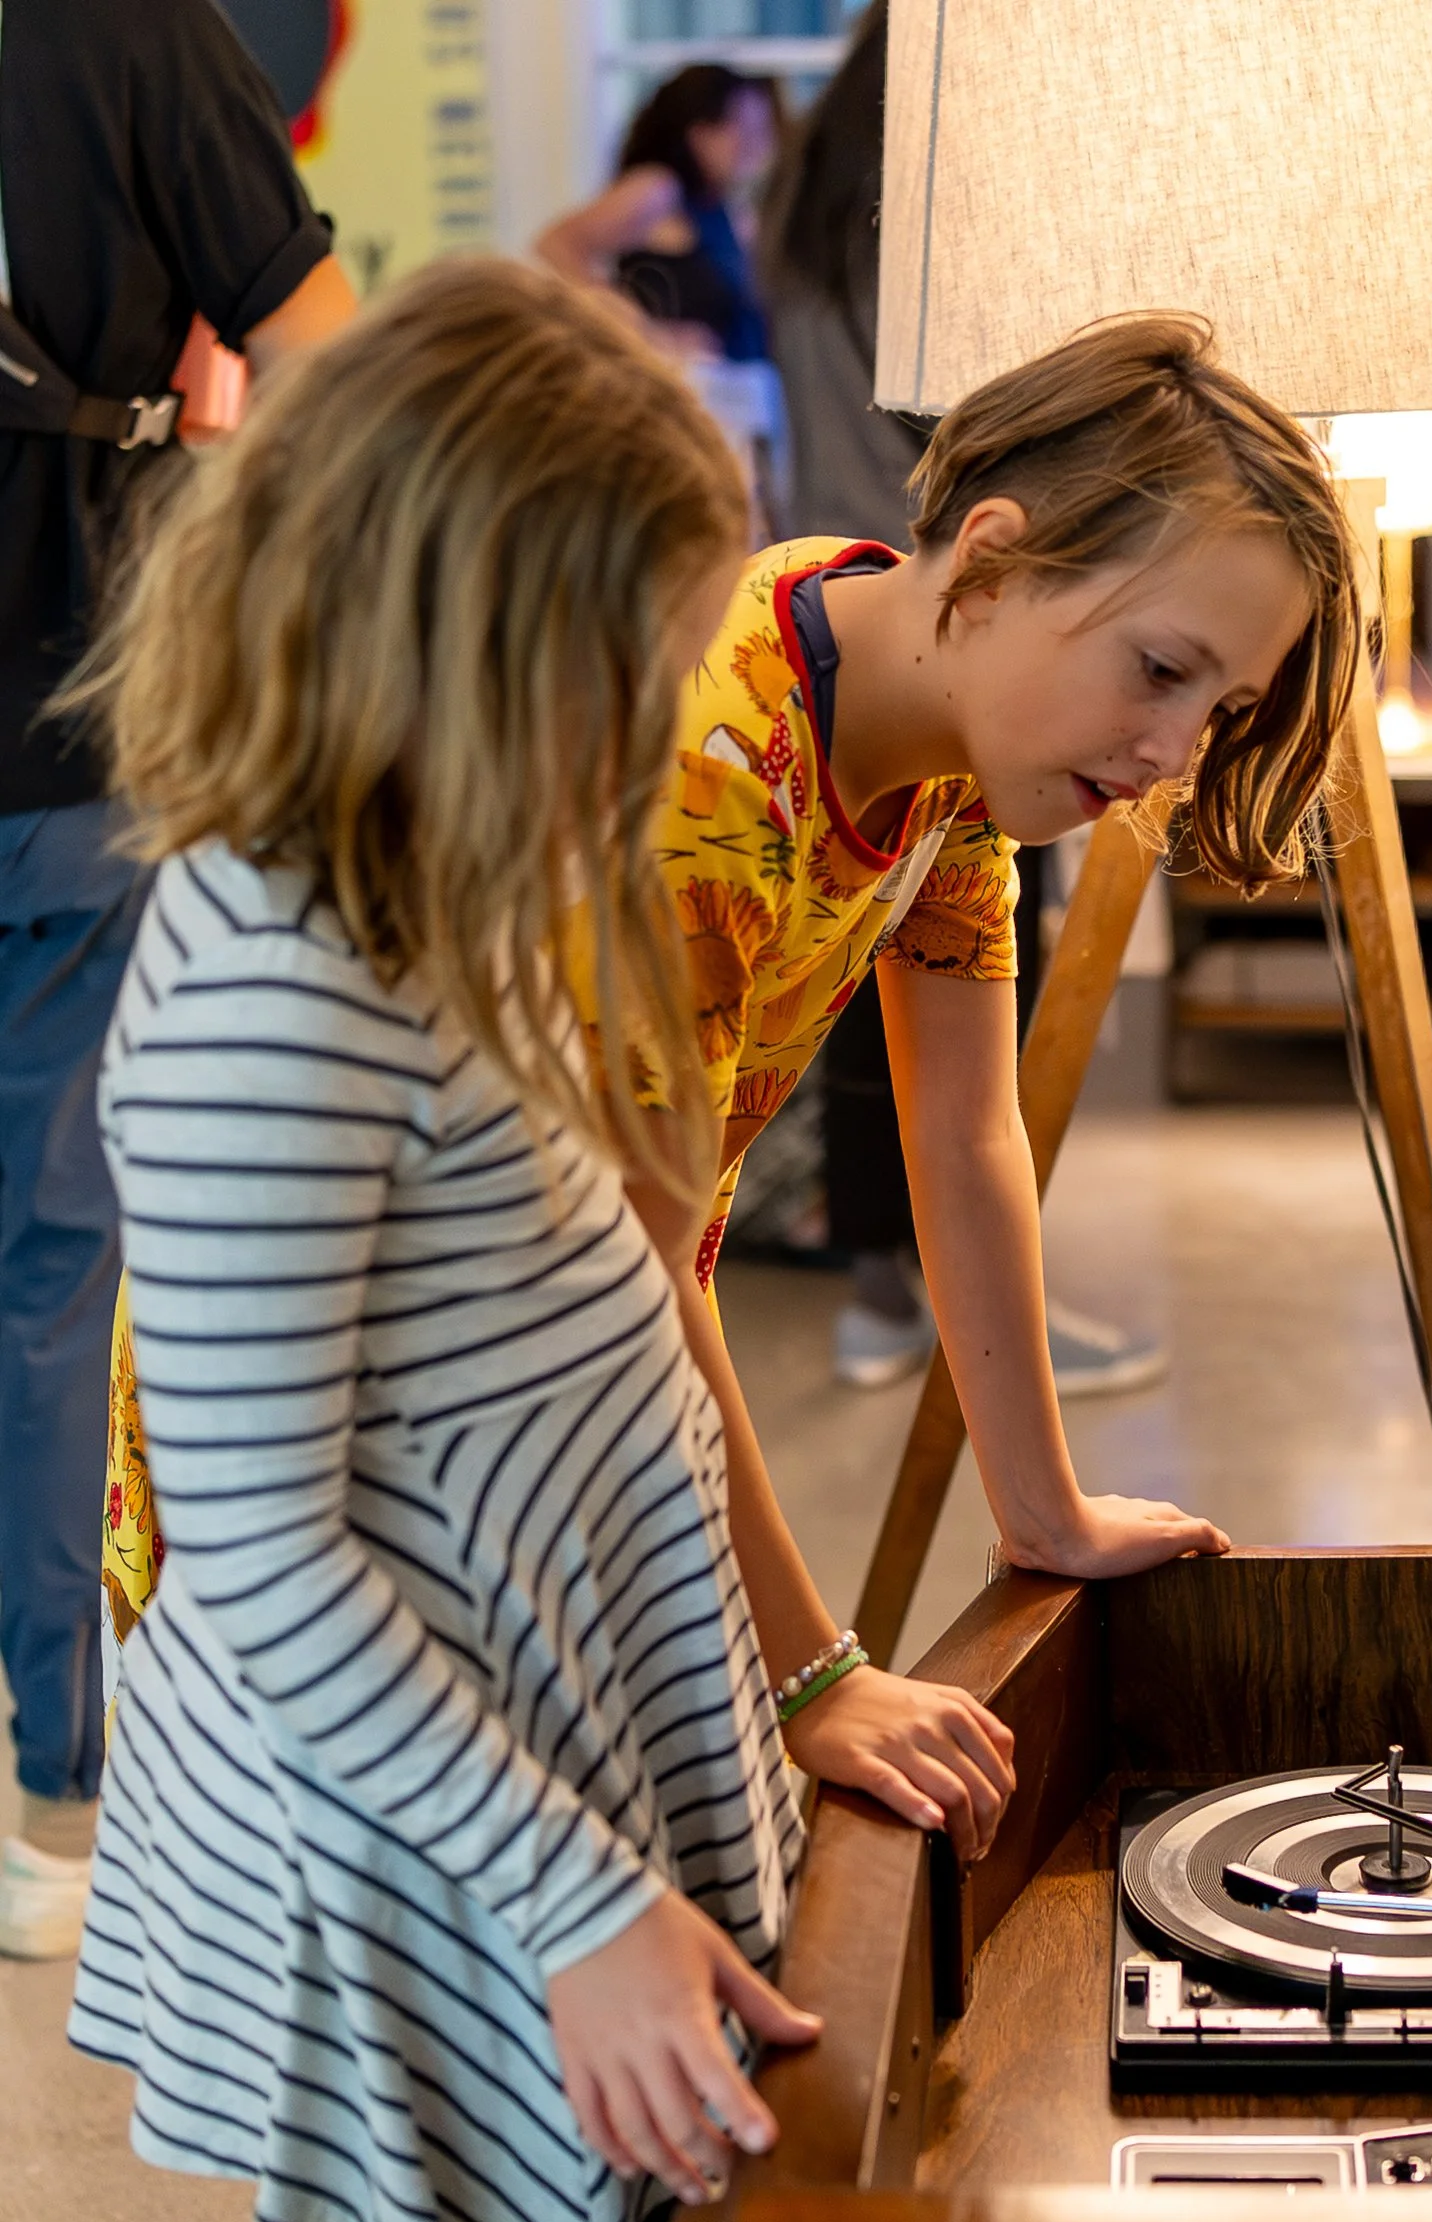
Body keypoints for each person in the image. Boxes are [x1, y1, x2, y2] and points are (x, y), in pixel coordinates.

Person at [59, 259, 1010, 2222]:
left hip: (535, 1788)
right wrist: (578, 1906)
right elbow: (265, 1564)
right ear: (464, 647)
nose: (666, 729)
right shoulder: (261, 999)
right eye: (632, 673)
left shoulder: (452, 886)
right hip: (435, 1865)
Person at [566, 310, 1362, 1678]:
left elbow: (967, 1132)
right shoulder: (712, 777)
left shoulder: (927, 700)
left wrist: (1044, 1512)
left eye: (1221, 710)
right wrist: (816, 1678)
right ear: (990, 564)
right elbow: (630, 1267)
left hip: (590, 1373)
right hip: (381, 1403)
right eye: (1162, 670)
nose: (1175, 751)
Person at [0, 0, 354, 1962]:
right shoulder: (128, 24)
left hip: (73, 761)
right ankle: (59, 1800)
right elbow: (320, 356)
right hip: (71, 737)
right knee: (60, 1270)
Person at [757, 0, 1164, 1396]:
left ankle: (892, 1286)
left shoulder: (802, 198)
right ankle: (934, 1294)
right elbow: (978, 432)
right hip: (948, 608)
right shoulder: (921, 223)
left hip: (833, 589)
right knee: (958, 987)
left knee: (864, 982)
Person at [536, 64, 785, 527]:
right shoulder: (658, 190)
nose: (754, 144)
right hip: (687, 407)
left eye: (759, 129)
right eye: (741, 128)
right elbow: (556, 246)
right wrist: (646, 333)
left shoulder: (725, 208)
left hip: (739, 408)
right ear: (698, 130)